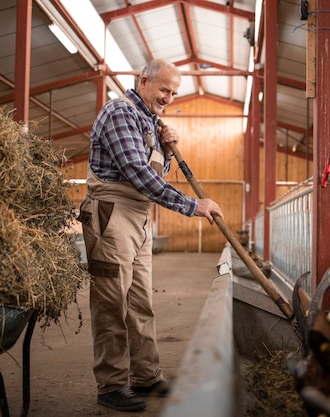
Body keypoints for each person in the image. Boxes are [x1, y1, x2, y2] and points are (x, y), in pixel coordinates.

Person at [77, 59, 224, 412]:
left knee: (141, 302)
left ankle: (146, 376)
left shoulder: (150, 122)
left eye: (174, 92)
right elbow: (138, 174)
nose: (169, 98)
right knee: (112, 302)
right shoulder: (120, 113)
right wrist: (193, 205)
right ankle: (111, 385)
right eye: (164, 89)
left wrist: (168, 147)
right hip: (112, 214)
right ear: (143, 81)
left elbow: (156, 171)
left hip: (139, 218)